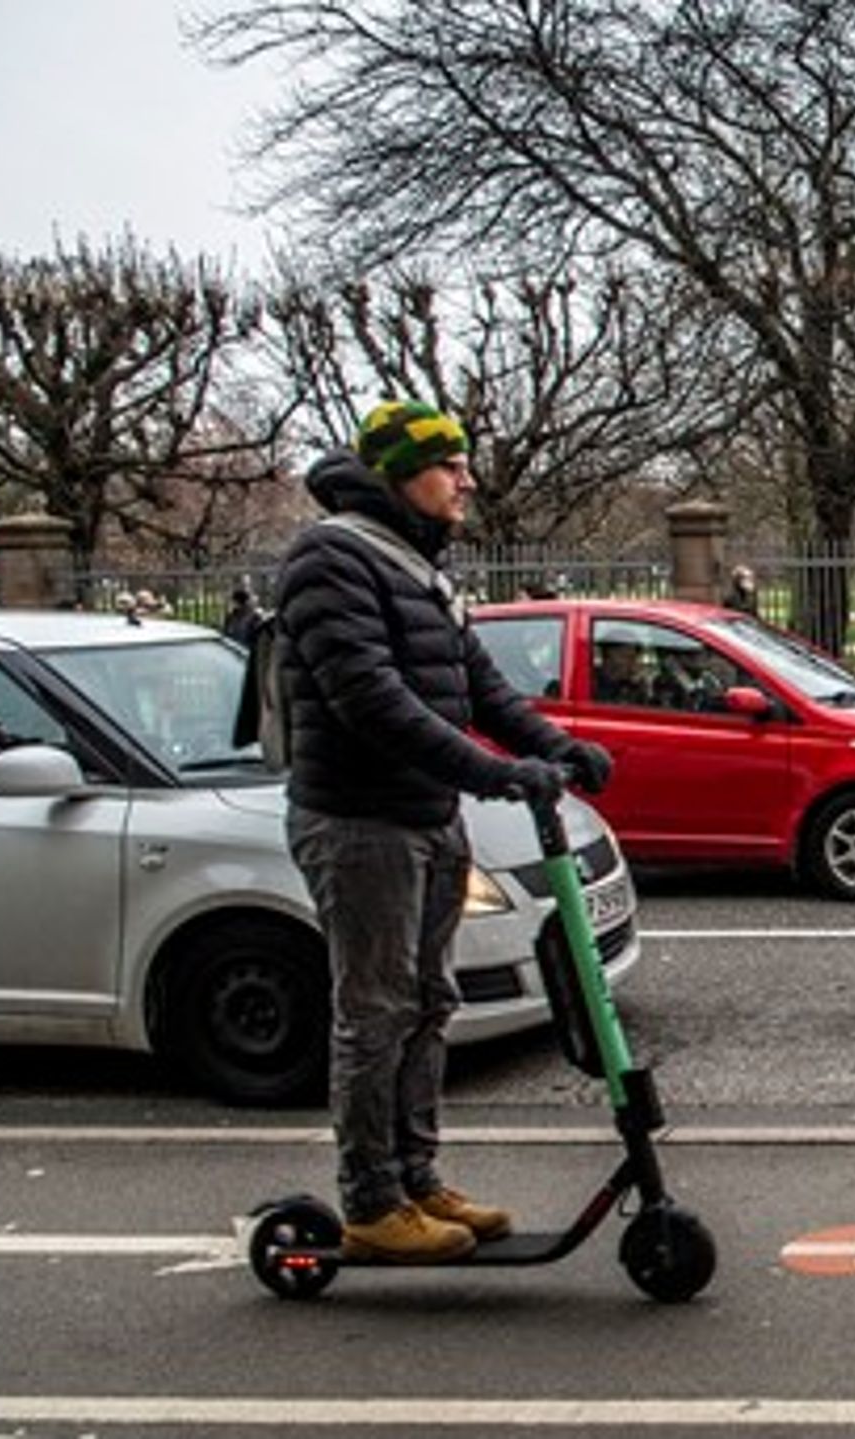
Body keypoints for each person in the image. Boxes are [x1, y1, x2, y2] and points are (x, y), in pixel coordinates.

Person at [274, 399, 614, 1265]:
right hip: (360, 821)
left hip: (425, 814)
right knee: (375, 1011)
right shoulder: (331, 558)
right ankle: (372, 1200)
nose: (465, 478)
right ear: (397, 473)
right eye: (447, 463)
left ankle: (418, 1178)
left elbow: (479, 685)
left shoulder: (420, 566)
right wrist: (492, 772)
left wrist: (553, 744)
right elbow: (370, 699)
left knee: (430, 1003)